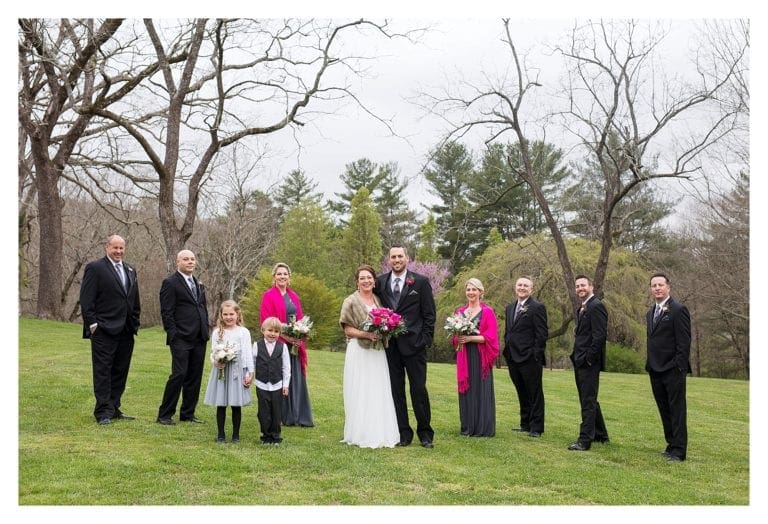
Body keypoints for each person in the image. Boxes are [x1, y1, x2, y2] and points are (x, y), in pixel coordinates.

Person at [375, 245, 436, 448]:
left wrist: (425, 340)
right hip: (390, 346)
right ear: (389, 260)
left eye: (400, 256)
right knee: (396, 390)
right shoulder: (381, 282)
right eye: (393, 257)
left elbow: (429, 315)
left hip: (415, 345)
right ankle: (403, 432)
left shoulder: (420, 282)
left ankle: (425, 433)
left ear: (407, 258)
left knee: (418, 390)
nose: (397, 259)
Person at [79, 234, 141, 425]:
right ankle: (103, 412)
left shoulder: (130, 269)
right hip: (104, 329)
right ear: (107, 247)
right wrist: (93, 324)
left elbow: (133, 298)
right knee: (103, 371)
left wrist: (135, 321)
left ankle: (114, 407)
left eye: (121, 248)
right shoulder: (95, 268)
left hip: (126, 330)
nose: (119, 251)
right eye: (115, 248)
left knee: (120, 370)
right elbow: (86, 299)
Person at [338, 264, 400, 448]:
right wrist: (366, 334)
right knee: (360, 389)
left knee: (377, 389)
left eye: (369, 277)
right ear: (357, 282)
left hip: (377, 352)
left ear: (374, 281)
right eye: (362, 278)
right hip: (359, 350)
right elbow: (347, 328)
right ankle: (361, 432)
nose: (366, 281)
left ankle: (380, 430)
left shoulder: (379, 300)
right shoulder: (350, 301)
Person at [156, 249, 210, 425]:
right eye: (186, 259)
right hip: (181, 337)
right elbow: (167, 312)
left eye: (192, 259)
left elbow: (202, 307)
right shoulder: (170, 283)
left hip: (199, 336)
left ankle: (188, 413)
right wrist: (173, 334)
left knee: (194, 377)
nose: (190, 262)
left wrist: (205, 328)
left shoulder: (198, 283)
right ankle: (164, 414)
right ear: (178, 262)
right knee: (179, 374)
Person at [259, 262, 314, 427]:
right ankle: (283, 415)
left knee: (295, 376)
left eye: (285, 274)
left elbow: (301, 319)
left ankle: (298, 414)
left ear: (289, 277)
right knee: (281, 376)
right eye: (279, 274)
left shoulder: (294, 296)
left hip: (294, 345)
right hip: (278, 343)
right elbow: (265, 321)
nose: (282, 276)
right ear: (274, 276)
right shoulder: (268, 296)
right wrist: (285, 337)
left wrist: (300, 335)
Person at [646, 273, 691, 462]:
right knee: (664, 409)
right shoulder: (650, 312)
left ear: (668, 287)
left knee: (677, 409)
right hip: (655, 368)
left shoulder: (678, 310)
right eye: (654, 285)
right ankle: (671, 444)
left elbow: (684, 341)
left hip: (673, 369)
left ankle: (679, 450)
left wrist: (679, 367)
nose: (657, 288)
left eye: (660, 285)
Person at [451, 278, 498, 437]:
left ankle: (483, 428)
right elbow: (455, 336)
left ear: (480, 292)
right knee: (467, 389)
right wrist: (457, 337)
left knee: (480, 389)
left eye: (474, 289)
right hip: (464, 356)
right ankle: (468, 426)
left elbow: (490, 338)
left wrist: (470, 339)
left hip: (480, 356)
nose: (471, 292)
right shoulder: (459, 312)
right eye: (468, 289)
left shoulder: (488, 312)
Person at [568, 274, 610, 451]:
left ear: (591, 287)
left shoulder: (596, 306)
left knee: (588, 400)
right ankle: (601, 434)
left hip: (588, 362)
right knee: (588, 398)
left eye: (583, 285)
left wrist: (589, 359)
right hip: (580, 360)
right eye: (577, 286)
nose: (580, 289)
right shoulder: (583, 308)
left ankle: (584, 440)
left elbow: (599, 337)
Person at [503, 276, 549, 438]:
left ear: (532, 289)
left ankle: (536, 427)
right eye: (519, 285)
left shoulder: (537, 307)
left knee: (534, 392)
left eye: (525, 285)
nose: (522, 288)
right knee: (521, 390)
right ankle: (525, 423)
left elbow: (542, 334)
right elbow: (509, 331)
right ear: (515, 287)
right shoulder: (510, 308)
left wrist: (535, 354)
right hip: (512, 357)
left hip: (529, 358)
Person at [203, 300, 253, 444]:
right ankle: (220, 434)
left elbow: (248, 354)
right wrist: (217, 361)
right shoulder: (217, 332)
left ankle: (236, 435)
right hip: (222, 370)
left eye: (231, 314)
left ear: (237, 314)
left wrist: (250, 373)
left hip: (238, 370)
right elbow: (213, 352)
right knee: (221, 403)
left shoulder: (243, 332)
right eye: (225, 314)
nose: (228, 317)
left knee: (236, 404)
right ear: (221, 315)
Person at [252, 316, 291, 445]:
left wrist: (285, 384)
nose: (272, 334)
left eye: (276, 331)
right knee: (263, 412)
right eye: (270, 330)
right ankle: (266, 435)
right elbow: (252, 363)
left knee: (276, 411)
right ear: (263, 330)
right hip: (261, 384)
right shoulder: (257, 345)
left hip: (277, 385)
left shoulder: (283, 347)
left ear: (279, 333)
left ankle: (275, 435)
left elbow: (286, 367)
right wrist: (249, 376)